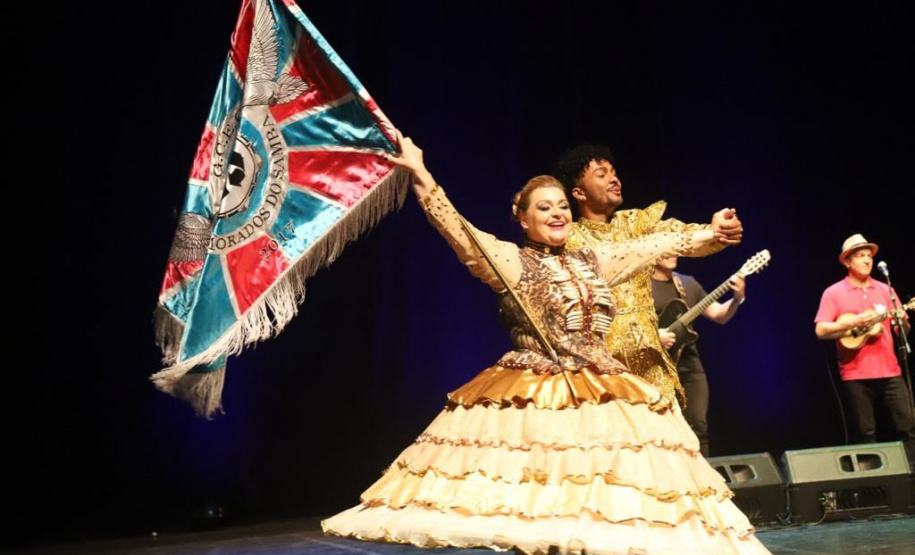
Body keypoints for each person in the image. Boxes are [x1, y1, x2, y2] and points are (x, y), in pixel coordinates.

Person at [322, 133, 771, 554]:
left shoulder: (593, 259)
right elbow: (458, 230)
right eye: (544, 207)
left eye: (561, 206)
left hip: (602, 388)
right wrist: (420, 173)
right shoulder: (511, 261)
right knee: (541, 506)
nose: (557, 214)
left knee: (610, 504)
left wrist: (710, 233)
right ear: (523, 219)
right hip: (540, 394)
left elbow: (655, 245)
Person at [556, 145, 742, 406]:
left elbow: (676, 235)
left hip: (652, 362)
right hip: (602, 365)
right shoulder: (569, 238)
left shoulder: (635, 223)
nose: (614, 179)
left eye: (614, 172)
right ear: (579, 193)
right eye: (602, 174)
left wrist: (715, 230)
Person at [814, 234, 913, 450]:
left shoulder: (886, 290)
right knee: (865, 434)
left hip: (890, 372)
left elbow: (903, 332)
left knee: (908, 427)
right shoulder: (834, 293)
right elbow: (820, 330)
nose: (867, 260)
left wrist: (902, 320)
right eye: (860, 256)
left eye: (869, 256)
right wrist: (853, 323)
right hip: (855, 375)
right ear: (847, 262)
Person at [652, 256, 746, 457]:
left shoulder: (687, 283)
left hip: (689, 368)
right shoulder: (640, 287)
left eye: (676, 249)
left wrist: (737, 298)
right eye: (667, 249)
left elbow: (719, 315)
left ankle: (704, 474)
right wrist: (654, 336)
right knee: (661, 431)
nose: (673, 254)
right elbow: (626, 324)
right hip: (656, 369)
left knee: (698, 425)